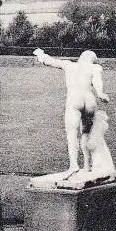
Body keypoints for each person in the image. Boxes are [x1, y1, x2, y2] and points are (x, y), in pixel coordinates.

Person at [33, 48, 110, 177]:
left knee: (72, 134)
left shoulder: (69, 65)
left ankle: (74, 165)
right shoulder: (95, 68)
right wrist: (100, 93)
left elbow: (49, 61)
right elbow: (97, 82)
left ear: (81, 57)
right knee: (86, 132)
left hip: (74, 99)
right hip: (89, 100)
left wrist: (40, 54)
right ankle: (87, 165)